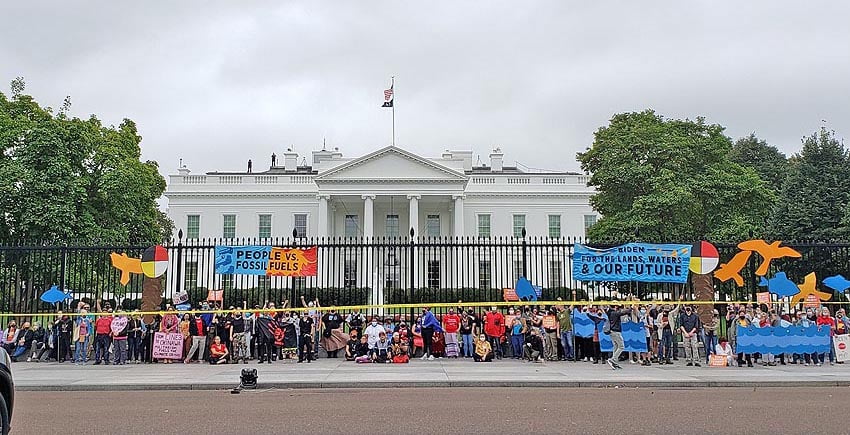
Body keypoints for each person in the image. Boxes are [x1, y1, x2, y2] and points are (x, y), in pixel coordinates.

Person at [606, 304, 632, 370]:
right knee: (621, 346)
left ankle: (615, 363)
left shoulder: (609, 312)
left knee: (616, 346)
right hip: (616, 331)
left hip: (612, 331)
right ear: (615, 306)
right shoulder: (614, 313)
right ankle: (613, 360)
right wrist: (631, 308)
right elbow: (623, 312)